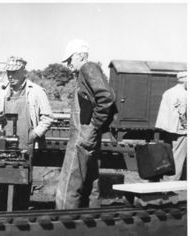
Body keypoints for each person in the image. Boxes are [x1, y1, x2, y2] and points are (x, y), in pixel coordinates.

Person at [0, 56, 53, 210]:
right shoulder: (2, 92)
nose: (10, 76)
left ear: (23, 72)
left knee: (22, 181)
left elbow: (47, 117)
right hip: (4, 144)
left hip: (25, 144)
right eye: (8, 72)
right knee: (1, 178)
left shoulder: (36, 91)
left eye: (14, 72)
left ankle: (20, 214)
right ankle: (1, 211)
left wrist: (34, 134)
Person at [55, 39, 115, 209]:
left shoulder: (87, 68)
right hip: (88, 133)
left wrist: (94, 125)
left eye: (69, 60)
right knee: (90, 181)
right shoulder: (86, 72)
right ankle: (90, 220)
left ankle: (63, 225)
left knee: (69, 183)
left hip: (83, 133)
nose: (67, 64)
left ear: (80, 56)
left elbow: (106, 97)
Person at [155, 71, 187, 181]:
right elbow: (182, 114)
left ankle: (164, 182)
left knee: (169, 156)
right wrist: (187, 127)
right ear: (185, 80)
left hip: (167, 129)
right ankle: (172, 186)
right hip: (180, 130)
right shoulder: (183, 94)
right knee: (178, 158)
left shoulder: (169, 92)